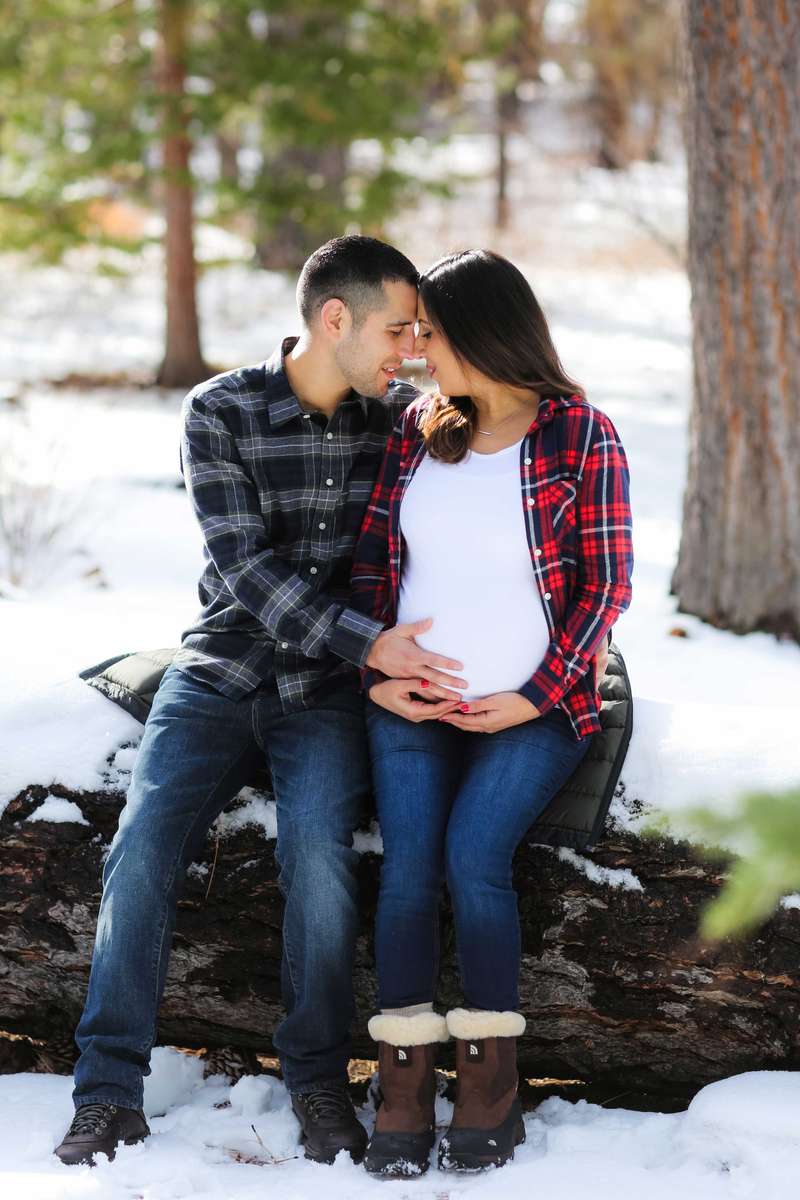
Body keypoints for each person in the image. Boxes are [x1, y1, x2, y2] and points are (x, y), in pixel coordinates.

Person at [54, 235, 468, 1168]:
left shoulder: (400, 418)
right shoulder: (221, 408)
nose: (410, 347)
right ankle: (107, 1090)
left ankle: (317, 1080)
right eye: (398, 328)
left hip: (322, 694)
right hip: (220, 672)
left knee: (319, 858)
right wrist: (370, 641)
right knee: (141, 848)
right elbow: (243, 569)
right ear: (335, 320)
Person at [351, 249, 634, 1177]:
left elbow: (605, 589)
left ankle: (488, 1080)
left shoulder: (580, 435)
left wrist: (534, 696)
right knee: (407, 872)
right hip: (412, 703)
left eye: (432, 331)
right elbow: (371, 563)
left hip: (537, 704)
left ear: (482, 332)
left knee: (475, 859)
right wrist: (377, 673)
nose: (421, 349)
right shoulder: (416, 429)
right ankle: (401, 1079)